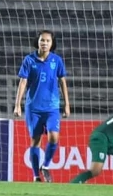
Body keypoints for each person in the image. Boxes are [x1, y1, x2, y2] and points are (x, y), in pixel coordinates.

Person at [13, 29, 70, 183]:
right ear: (37, 41)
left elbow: (62, 81)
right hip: (34, 108)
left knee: (54, 136)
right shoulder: (29, 60)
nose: (44, 43)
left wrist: (67, 104)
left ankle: (45, 166)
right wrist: (17, 105)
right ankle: (36, 176)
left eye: (48, 41)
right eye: (42, 40)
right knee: (35, 141)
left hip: (52, 107)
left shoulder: (56, 60)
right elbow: (23, 82)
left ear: (52, 44)